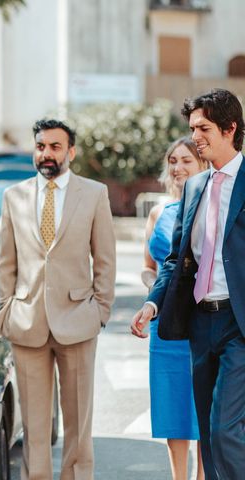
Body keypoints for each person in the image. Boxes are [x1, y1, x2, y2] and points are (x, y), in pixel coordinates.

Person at [131, 88, 245, 480]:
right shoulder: (195, 188)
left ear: (230, 129)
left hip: (238, 324)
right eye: (193, 127)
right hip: (199, 323)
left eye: (203, 128)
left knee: (224, 428)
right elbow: (175, 260)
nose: (195, 135)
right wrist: (152, 303)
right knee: (207, 435)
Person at [0, 119, 116, 480]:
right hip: (27, 322)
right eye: (41, 146)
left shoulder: (94, 193)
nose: (46, 153)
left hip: (79, 320)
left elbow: (105, 258)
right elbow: (6, 261)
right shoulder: (13, 196)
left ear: (71, 152)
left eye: (55, 146)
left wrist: (101, 312)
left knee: (79, 425)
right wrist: (6, 310)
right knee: (33, 426)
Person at [138, 138, 207, 480]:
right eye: (173, 161)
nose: (178, 168)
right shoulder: (158, 213)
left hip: (204, 321)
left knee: (206, 407)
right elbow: (150, 267)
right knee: (172, 407)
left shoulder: (214, 208)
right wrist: (153, 293)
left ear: (202, 165)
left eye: (187, 161)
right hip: (164, 327)